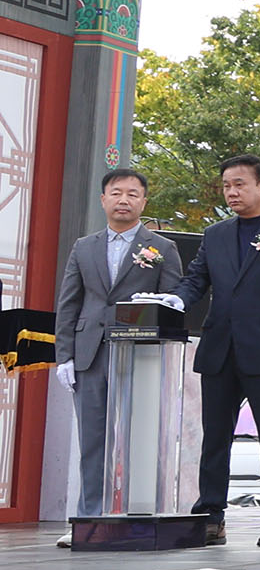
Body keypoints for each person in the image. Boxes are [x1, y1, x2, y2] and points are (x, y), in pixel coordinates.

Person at [161, 155, 260, 547]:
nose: (232, 192)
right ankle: (210, 515)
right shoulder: (215, 235)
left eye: (240, 184)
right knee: (215, 437)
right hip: (220, 348)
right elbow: (197, 278)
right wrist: (177, 300)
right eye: (227, 185)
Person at [53, 167, 177, 517]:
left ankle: (140, 516)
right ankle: (88, 519)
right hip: (89, 354)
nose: (124, 199)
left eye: (132, 194)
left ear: (144, 201)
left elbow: (172, 303)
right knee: (92, 442)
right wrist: (64, 356)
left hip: (140, 358)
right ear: (103, 199)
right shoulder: (84, 247)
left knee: (139, 440)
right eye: (117, 192)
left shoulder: (162, 247)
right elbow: (69, 303)